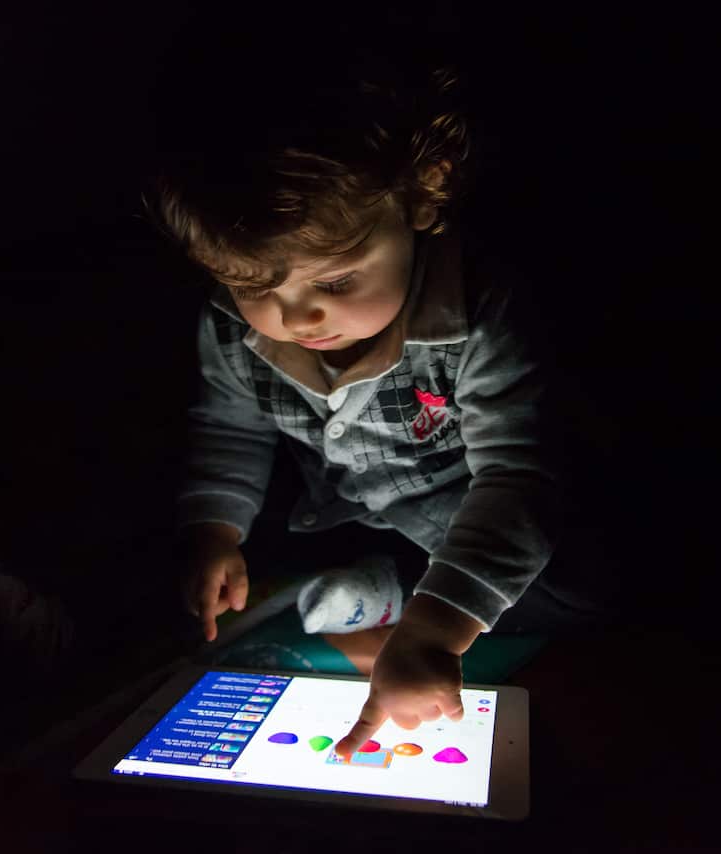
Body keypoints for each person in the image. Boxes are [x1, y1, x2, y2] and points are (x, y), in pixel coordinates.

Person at [141, 11, 603, 761]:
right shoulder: (233, 323)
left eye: (336, 279)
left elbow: (519, 477)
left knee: (580, 580)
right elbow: (230, 427)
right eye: (248, 284)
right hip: (342, 515)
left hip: (470, 517)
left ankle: (398, 599)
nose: (295, 316)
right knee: (207, 573)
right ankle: (375, 587)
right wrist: (215, 529)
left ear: (422, 198)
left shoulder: (479, 312)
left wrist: (437, 626)